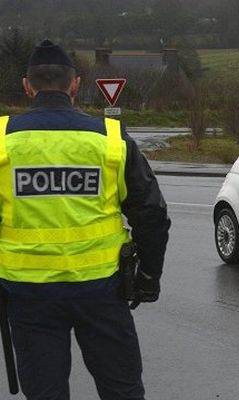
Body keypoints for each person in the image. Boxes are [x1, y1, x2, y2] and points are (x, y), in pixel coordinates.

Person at [0, 40, 170, 399]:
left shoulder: (2, 141)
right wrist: (149, 276)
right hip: (102, 293)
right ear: (75, 84)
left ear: (27, 86)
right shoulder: (110, 140)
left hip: (28, 296)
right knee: (122, 391)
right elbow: (151, 213)